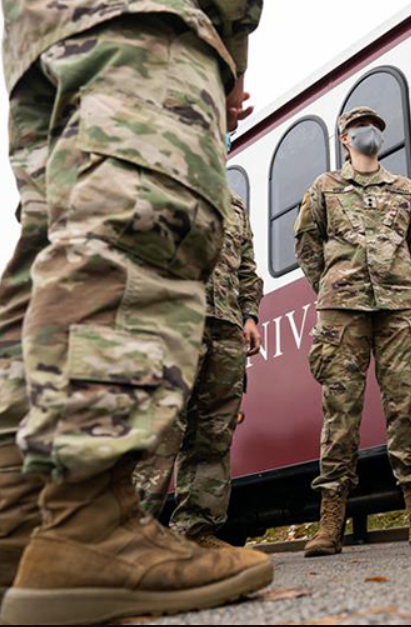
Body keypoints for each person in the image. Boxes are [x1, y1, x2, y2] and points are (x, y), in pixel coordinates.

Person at [0, 2, 271, 625]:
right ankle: (86, 525)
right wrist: (230, 50)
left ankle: (17, 528)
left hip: (43, 28)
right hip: (142, 14)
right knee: (145, 214)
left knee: (51, 245)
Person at [295, 107, 411, 559]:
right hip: (341, 311)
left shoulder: (404, 190)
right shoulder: (323, 189)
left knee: (405, 407)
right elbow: (308, 246)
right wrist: (333, 284)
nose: (370, 134)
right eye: (361, 128)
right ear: (345, 139)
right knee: (340, 412)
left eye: (376, 129)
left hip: (398, 308)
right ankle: (330, 524)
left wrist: (400, 284)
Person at [134, 191, 264, 550]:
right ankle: (128, 534)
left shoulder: (235, 204)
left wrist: (249, 315)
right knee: (160, 429)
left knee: (213, 432)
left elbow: (246, 269)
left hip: (225, 327)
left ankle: (195, 533)